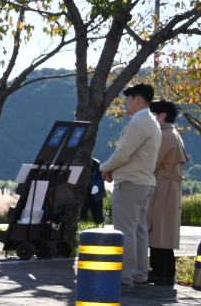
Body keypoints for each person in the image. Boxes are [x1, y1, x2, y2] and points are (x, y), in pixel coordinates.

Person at [100, 83, 161, 289]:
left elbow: (123, 153)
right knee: (139, 230)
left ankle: (125, 276)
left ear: (138, 99)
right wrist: (113, 169)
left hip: (131, 181)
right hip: (145, 181)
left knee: (125, 230)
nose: (125, 103)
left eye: (128, 98)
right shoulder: (152, 121)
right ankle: (139, 274)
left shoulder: (138, 122)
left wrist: (104, 168)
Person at [148, 99, 188, 287]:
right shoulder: (173, 133)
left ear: (161, 116)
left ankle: (159, 272)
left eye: (152, 114)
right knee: (164, 231)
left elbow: (152, 162)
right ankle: (166, 274)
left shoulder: (164, 135)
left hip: (162, 186)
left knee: (158, 230)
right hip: (168, 186)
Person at [81, 157, 106, 224]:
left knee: (98, 216)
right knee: (81, 216)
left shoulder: (96, 164)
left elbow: (101, 177)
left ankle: (100, 228)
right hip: (82, 192)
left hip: (95, 194)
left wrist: (97, 186)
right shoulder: (78, 163)